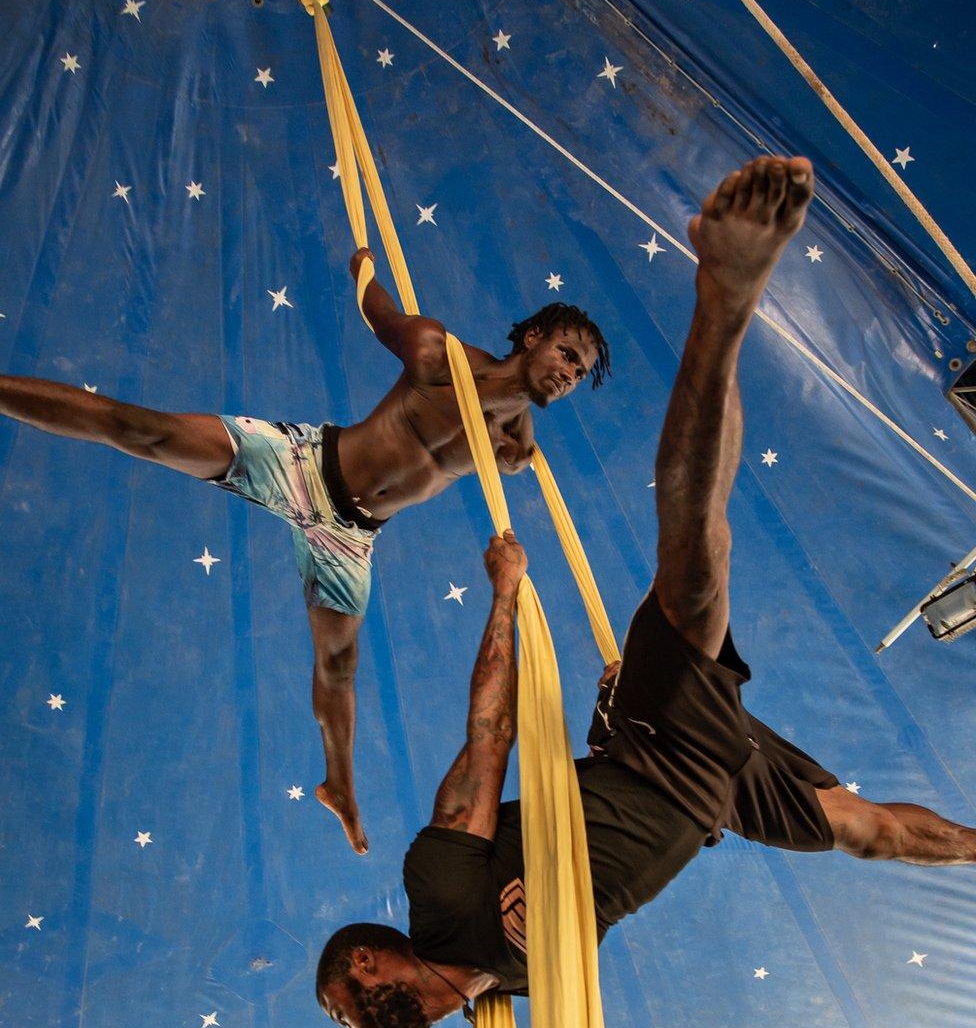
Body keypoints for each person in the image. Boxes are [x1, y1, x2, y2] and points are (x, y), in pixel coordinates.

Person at [316, 155, 976, 1028]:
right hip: (710, 796)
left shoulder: (438, 891)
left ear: (364, 963)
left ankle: (726, 300)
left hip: (656, 744)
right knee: (871, 834)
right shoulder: (501, 996)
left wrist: (505, 593)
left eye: (340, 1011)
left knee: (697, 569)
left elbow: (489, 731)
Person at [0, 250, 610, 854]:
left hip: (350, 535)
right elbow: (381, 315)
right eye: (566, 353)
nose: (570, 373)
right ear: (532, 337)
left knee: (339, 666)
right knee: (147, 432)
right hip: (303, 464)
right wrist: (362, 268)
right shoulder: (436, 354)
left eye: (581, 372)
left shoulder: (513, 444)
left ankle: (340, 786)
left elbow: (513, 446)